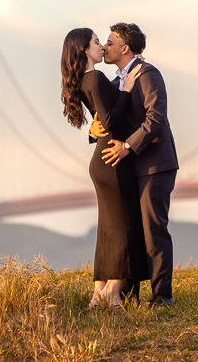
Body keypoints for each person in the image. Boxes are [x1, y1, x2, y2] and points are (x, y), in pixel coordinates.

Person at [60, 27, 149, 308]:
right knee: (125, 225)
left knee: (108, 228)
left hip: (101, 159)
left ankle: (98, 293)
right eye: (97, 42)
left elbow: (100, 121)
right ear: (85, 50)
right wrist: (126, 90)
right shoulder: (96, 77)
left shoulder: (86, 79)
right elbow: (109, 121)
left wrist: (93, 129)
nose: (102, 46)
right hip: (113, 160)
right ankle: (113, 293)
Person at [101, 22, 179, 307]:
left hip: (155, 165)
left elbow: (156, 119)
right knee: (132, 229)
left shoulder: (148, 74)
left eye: (109, 42)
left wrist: (128, 146)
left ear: (125, 48)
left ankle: (162, 297)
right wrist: (93, 130)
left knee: (154, 229)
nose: (105, 47)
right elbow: (110, 117)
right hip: (131, 168)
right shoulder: (115, 83)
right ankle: (128, 296)